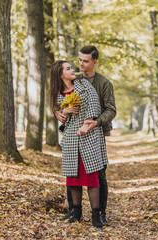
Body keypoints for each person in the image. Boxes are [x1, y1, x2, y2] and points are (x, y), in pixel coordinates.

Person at [55, 46, 116, 226]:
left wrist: (94, 122)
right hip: (74, 134)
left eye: (85, 61)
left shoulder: (103, 83)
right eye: (80, 60)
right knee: (72, 170)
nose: (81, 64)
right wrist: (58, 111)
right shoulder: (75, 79)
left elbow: (111, 110)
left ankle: (100, 213)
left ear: (94, 62)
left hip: (95, 132)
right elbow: (58, 99)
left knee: (99, 174)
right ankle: (74, 211)